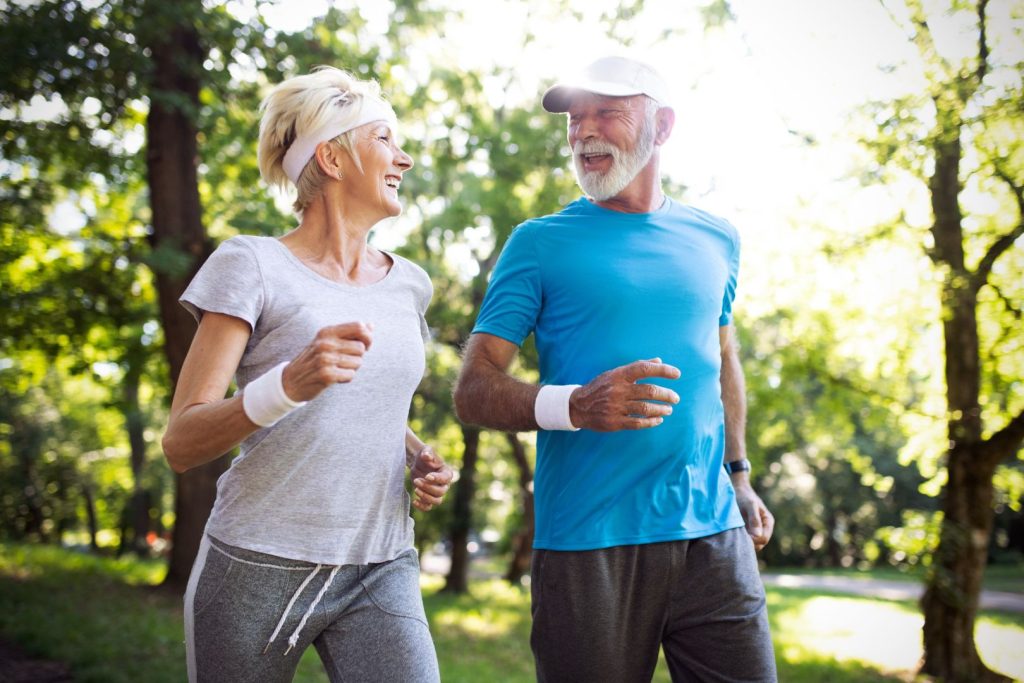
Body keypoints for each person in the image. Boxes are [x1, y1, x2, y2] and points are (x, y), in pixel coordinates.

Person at [453, 56, 777, 682]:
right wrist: (571, 406)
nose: (583, 131)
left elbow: (722, 356)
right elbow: (474, 389)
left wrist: (739, 472)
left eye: (607, 112)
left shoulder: (718, 238)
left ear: (663, 126)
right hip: (588, 541)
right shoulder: (538, 243)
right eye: (575, 118)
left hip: (713, 533)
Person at [161, 66, 453, 683]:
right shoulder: (252, 264)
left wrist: (416, 454)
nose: (404, 158)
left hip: (382, 562)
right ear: (333, 157)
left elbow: (366, 406)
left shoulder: (410, 283)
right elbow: (181, 442)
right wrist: (285, 386)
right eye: (385, 140)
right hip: (257, 562)